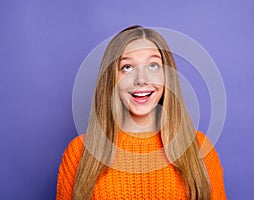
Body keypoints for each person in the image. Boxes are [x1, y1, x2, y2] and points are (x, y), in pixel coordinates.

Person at [56, 25, 226, 200]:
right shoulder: (79, 152)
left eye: (153, 66)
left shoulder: (199, 148)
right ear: (111, 79)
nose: (141, 80)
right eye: (127, 67)